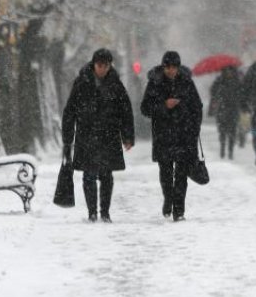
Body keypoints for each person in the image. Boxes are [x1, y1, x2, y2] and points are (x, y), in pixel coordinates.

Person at [62, 48, 134, 223]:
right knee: (88, 175)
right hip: (86, 135)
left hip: (108, 135)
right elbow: (70, 111)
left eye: (106, 65)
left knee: (106, 175)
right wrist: (68, 137)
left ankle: (105, 212)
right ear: (94, 65)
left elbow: (125, 111)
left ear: (110, 66)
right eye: (100, 65)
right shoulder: (82, 82)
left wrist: (127, 136)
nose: (102, 69)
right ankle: (92, 212)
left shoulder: (116, 84)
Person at [140, 51, 203, 221]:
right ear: (163, 66)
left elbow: (197, 107)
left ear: (178, 67)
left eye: (174, 67)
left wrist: (193, 128)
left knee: (182, 174)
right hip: (163, 134)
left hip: (184, 134)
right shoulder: (154, 82)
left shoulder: (187, 83)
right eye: (168, 67)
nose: (171, 71)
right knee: (166, 173)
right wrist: (163, 106)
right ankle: (168, 198)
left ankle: (179, 210)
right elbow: (145, 108)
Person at [209, 66, 243, 159]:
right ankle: (222, 148)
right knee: (222, 131)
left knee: (232, 131)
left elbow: (242, 94)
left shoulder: (237, 82)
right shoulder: (219, 81)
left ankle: (230, 151)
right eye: (227, 71)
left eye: (230, 71)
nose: (229, 73)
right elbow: (213, 93)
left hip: (233, 109)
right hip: (222, 109)